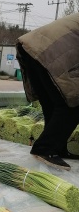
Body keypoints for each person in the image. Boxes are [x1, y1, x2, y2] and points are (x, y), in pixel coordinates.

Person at [16, 13, 79, 171]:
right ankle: (44, 149)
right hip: (50, 53)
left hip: (32, 47)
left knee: (52, 104)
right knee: (71, 103)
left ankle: (57, 148)